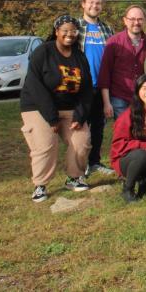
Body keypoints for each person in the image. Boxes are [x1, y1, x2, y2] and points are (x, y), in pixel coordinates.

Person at [20, 16, 93, 202]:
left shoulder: (79, 56)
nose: (70, 35)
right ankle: (40, 185)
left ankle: (74, 177)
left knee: (82, 141)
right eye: (65, 30)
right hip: (38, 107)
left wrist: (80, 114)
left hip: (70, 108)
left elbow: (86, 89)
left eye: (73, 31)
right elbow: (34, 85)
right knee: (46, 144)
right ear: (56, 31)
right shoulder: (43, 52)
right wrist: (51, 117)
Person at [78, 0, 115, 176]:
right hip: (82, 87)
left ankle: (94, 162)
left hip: (102, 87)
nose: (94, 6)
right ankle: (80, 165)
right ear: (83, 4)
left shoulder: (106, 29)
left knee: (99, 127)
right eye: (91, 2)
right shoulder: (76, 27)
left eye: (98, 3)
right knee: (81, 128)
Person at [99, 5, 146, 123]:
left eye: (140, 19)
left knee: (142, 131)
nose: (136, 22)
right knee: (124, 131)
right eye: (132, 19)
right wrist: (106, 103)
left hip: (143, 96)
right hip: (119, 97)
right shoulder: (113, 42)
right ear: (125, 20)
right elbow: (105, 74)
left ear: (144, 20)